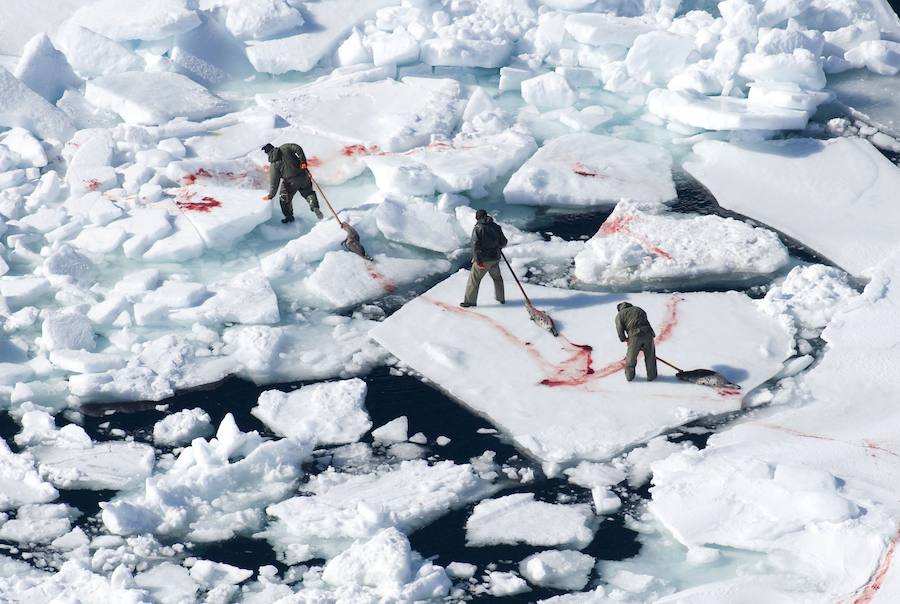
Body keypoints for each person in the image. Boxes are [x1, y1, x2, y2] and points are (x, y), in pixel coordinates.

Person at [261, 142, 323, 223]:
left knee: (284, 199)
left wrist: (271, 195)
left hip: (290, 183)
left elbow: (274, 182)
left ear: (267, 153)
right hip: (303, 175)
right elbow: (297, 148)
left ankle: (289, 217)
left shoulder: (273, 165)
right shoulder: (285, 147)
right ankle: (314, 206)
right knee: (308, 192)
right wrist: (303, 162)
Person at [461, 209, 507, 308]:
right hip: (495, 258)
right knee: (497, 278)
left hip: (483, 260)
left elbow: (475, 246)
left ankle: (470, 301)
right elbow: (503, 242)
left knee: (474, 280)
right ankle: (501, 298)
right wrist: (497, 246)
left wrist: (478, 261)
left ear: (478, 218)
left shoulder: (478, 228)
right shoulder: (496, 227)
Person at [615, 302, 658, 382]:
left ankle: (630, 378)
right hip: (648, 334)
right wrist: (652, 334)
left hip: (635, 335)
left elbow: (619, 329)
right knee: (650, 357)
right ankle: (652, 377)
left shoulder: (620, 315)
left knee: (631, 358)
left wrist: (623, 339)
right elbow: (646, 322)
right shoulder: (639, 309)